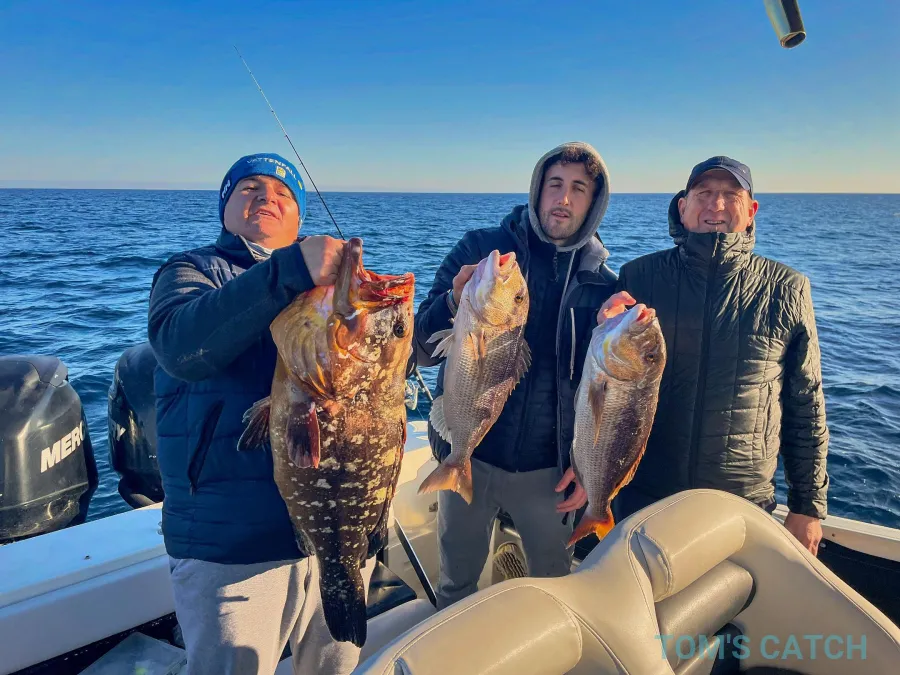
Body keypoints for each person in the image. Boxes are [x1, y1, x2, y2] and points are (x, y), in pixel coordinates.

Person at [147, 153, 375, 675]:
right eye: (249, 188)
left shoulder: (333, 287)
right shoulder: (191, 272)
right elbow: (180, 346)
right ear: (225, 207)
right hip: (234, 543)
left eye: (283, 193)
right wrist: (290, 269)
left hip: (342, 528)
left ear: (299, 217)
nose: (267, 197)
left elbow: (383, 370)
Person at [414, 142, 618, 608]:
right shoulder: (480, 250)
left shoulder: (603, 285)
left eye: (578, 189)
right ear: (536, 190)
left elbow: (608, 396)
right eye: (554, 184)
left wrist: (589, 467)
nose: (563, 199)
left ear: (593, 203)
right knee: (455, 585)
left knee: (554, 589)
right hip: (469, 453)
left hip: (550, 471)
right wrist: (453, 302)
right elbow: (421, 350)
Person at [602, 156, 829, 556]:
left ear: (751, 210)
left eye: (730, 194)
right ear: (682, 206)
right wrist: (601, 332)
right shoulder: (639, 276)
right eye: (704, 193)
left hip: (742, 500)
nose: (716, 205)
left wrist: (807, 506)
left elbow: (805, 403)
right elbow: (606, 384)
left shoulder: (787, 288)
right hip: (644, 491)